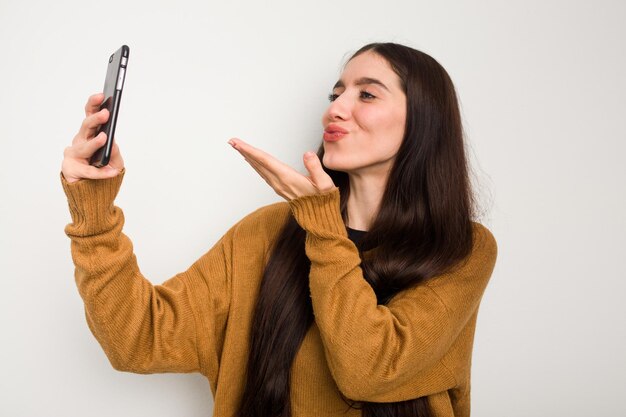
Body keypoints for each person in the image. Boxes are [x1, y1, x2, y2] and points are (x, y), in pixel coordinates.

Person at [61, 42, 497, 417]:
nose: (336, 107)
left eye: (366, 94)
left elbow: (369, 371)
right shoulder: (266, 233)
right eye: (337, 92)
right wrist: (94, 214)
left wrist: (323, 227)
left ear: (424, 122)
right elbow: (138, 339)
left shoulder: (463, 248)